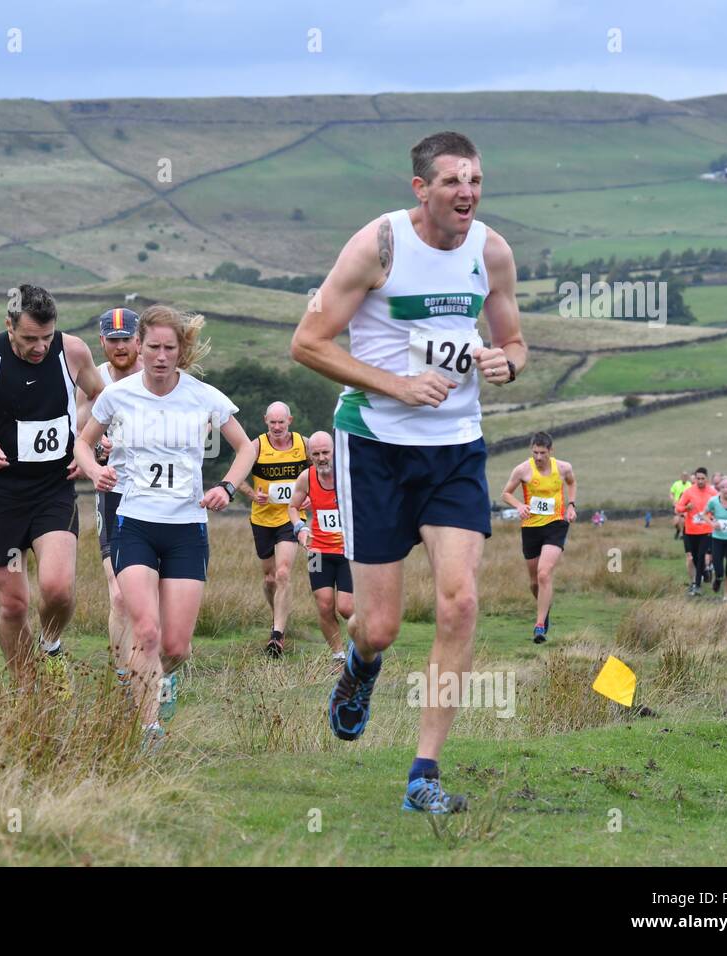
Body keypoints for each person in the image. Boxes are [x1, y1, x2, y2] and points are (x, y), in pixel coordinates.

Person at [290, 130, 527, 814]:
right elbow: (307, 343)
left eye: (476, 180)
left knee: (460, 602)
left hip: (455, 447)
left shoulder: (491, 251)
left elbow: (515, 343)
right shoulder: (379, 246)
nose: (468, 192)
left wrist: (505, 363)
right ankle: (360, 667)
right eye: (453, 180)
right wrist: (394, 386)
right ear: (420, 188)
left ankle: (423, 773)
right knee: (381, 626)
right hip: (375, 447)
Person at [74, 304, 257, 746]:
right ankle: (147, 727)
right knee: (147, 631)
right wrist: (94, 472)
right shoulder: (117, 396)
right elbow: (83, 442)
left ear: (181, 350)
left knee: (176, 646)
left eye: (168, 348)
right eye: (152, 346)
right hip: (135, 524)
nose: (159, 356)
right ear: (140, 346)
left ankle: (161, 679)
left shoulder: (203, 396)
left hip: (186, 529)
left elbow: (247, 448)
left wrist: (227, 488)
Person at [0, 284, 105, 684]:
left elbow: (103, 397)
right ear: (8, 325)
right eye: (30, 338)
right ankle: (28, 692)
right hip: (2, 494)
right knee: (14, 605)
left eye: (47, 337)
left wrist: (86, 446)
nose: (40, 348)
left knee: (58, 589)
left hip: (53, 488)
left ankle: (51, 647)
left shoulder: (74, 352)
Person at [75, 307, 143, 689]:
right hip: (111, 493)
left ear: (138, 339)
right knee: (118, 594)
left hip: (156, 496)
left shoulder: (156, 377)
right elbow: (78, 433)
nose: (120, 346)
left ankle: (152, 668)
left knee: (152, 594)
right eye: (112, 339)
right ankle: (123, 679)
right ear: (102, 342)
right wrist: (88, 456)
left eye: (126, 338)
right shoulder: (92, 381)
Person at [237, 402, 310, 657]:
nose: (277, 427)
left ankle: (277, 636)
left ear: (290, 420)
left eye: (281, 422)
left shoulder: (304, 445)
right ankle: (277, 618)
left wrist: (313, 495)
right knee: (269, 580)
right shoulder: (257, 446)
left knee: (282, 573)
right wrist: (251, 494)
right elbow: (237, 476)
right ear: (265, 421)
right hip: (262, 520)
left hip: (291, 518)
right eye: (272, 423)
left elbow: (324, 471)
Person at [499, 432, 577, 643]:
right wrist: (519, 505)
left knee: (544, 574)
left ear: (551, 451)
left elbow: (571, 483)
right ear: (531, 450)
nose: (539, 457)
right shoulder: (522, 470)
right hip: (531, 527)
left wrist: (571, 505)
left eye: (543, 453)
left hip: (556, 524)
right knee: (534, 582)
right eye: (535, 452)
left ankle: (539, 626)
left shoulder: (563, 468)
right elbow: (505, 493)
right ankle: (545, 605)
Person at [286, 431, 352, 666]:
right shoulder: (306, 477)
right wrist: (300, 528)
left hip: (348, 551)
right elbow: (293, 507)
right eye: (316, 454)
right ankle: (338, 656)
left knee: (346, 608)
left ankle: (363, 646)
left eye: (326, 452)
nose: (322, 458)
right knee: (324, 604)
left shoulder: (349, 474)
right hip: (317, 550)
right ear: (309, 455)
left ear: (335, 451)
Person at [676, 467, 715, 596]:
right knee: (693, 557)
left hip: (705, 530)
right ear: (695, 479)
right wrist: (687, 507)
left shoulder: (712, 492)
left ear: (707, 479)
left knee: (700, 556)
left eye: (702, 479)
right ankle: (704, 573)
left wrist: (714, 515)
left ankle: (697, 585)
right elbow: (678, 508)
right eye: (698, 478)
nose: (700, 481)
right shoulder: (688, 492)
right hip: (690, 530)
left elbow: (719, 506)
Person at [670, 471, 690, 540]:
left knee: (683, 520)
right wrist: (673, 500)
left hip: (685, 506)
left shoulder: (689, 485)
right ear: (681, 477)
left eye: (686, 476)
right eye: (683, 476)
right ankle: (679, 530)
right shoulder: (676, 484)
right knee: (676, 522)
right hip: (677, 505)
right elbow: (671, 493)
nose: (684, 477)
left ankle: (682, 534)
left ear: (687, 477)